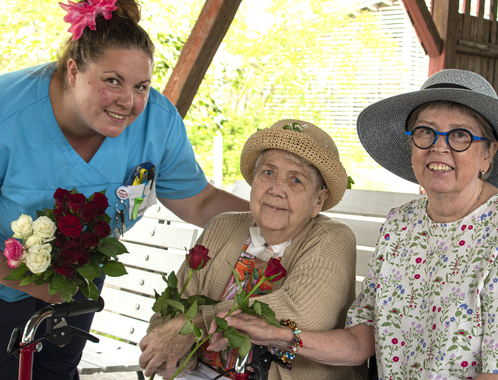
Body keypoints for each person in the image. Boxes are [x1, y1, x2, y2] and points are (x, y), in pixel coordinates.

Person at [213, 70, 498, 380]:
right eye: (425, 132)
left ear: (488, 154)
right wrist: (282, 336)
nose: (439, 147)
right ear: (412, 145)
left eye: (460, 135)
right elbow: (359, 342)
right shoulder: (401, 224)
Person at [0, 1, 248, 379]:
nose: (128, 103)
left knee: (60, 373)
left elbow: (201, 201)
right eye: (112, 81)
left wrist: (276, 220)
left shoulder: (157, 122)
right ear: (72, 71)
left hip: (80, 275)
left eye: (142, 86)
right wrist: (33, 283)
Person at [139, 119, 367, 380]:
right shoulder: (223, 226)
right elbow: (170, 311)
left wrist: (197, 323)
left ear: (318, 200)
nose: (276, 189)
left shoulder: (332, 238)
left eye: (296, 180)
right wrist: (172, 342)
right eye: (268, 173)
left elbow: (303, 312)